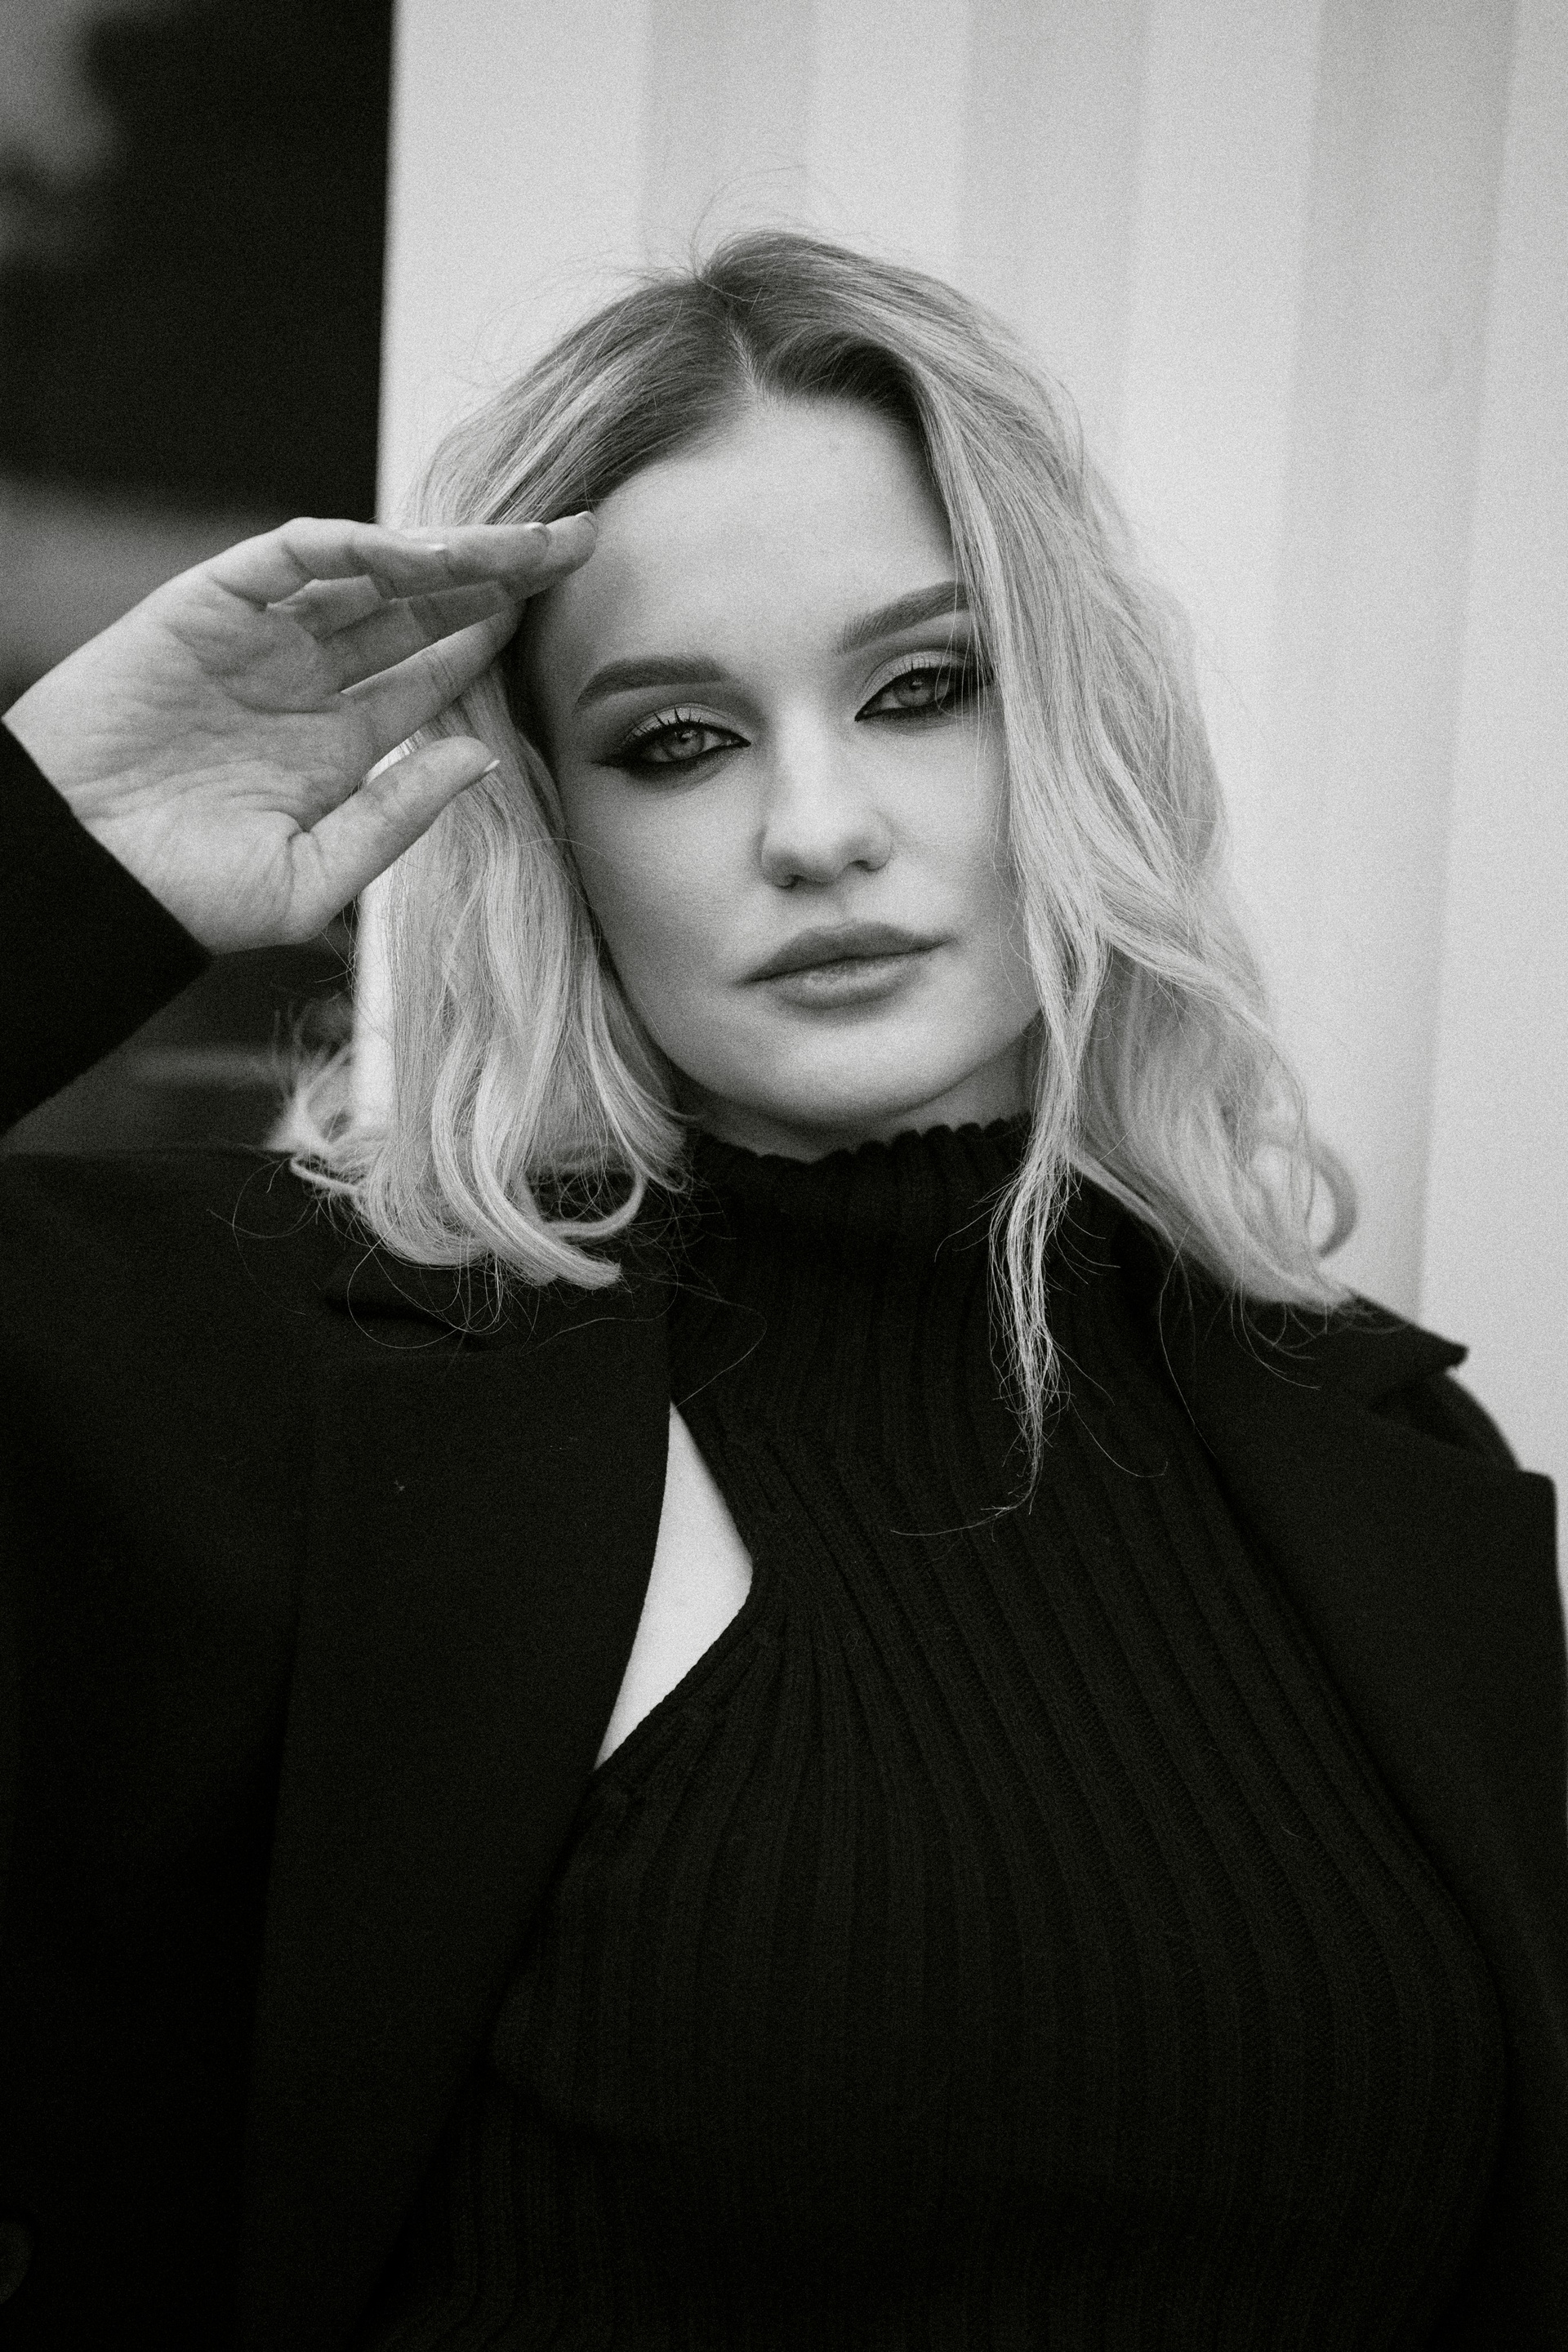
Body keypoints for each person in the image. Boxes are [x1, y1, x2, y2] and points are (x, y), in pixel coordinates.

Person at [0, 230, 1561, 2352]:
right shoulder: (286, 1390)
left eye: (920, 689)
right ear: (549, 818)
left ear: (1072, 721)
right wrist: (60, 848)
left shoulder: (1392, 1459)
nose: (818, 830)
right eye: (674, 740)